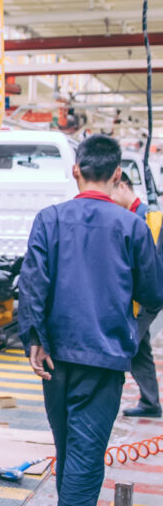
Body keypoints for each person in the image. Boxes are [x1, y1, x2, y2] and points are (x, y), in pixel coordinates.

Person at [18, 135, 163, 506]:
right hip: (103, 357)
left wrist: (34, 339)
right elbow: (153, 294)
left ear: (75, 170)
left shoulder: (49, 219)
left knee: (67, 448)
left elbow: (32, 283)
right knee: (85, 454)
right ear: (117, 174)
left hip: (54, 358)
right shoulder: (133, 227)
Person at [111, 170, 161, 417]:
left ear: (123, 187)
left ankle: (103, 401)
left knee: (125, 343)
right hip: (140, 295)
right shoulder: (131, 216)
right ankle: (151, 403)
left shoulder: (146, 217)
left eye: (112, 192)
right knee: (140, 349)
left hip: (147, 297)